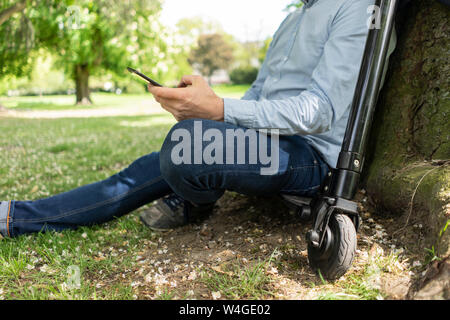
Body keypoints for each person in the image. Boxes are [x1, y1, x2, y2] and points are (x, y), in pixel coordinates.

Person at [0, 0, 379, 238]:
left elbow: (320, 111)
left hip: (309, 157)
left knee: (186, 146)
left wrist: (219, 111)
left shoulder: (358, 8)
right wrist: (207, 108)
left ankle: (195, 199)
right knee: (165, 154)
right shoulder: (292, 19)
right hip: (266, 139)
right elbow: (258, 93)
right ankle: (14, 217)